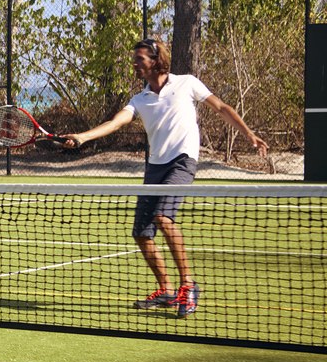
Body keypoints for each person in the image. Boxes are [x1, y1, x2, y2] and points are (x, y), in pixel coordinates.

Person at [63, 39, 268, 318]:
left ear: (156, 60)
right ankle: (166, 290)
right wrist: (82, 137)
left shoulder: (186, 83)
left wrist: (249, 134)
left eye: (140, 59)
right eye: (134, 59)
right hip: (154, 168)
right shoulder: (139, 99)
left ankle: (188, 286)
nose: (135, 64)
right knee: (141, 233)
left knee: (163, 218)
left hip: (182, 161)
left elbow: (220, 107)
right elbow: (115, 122)